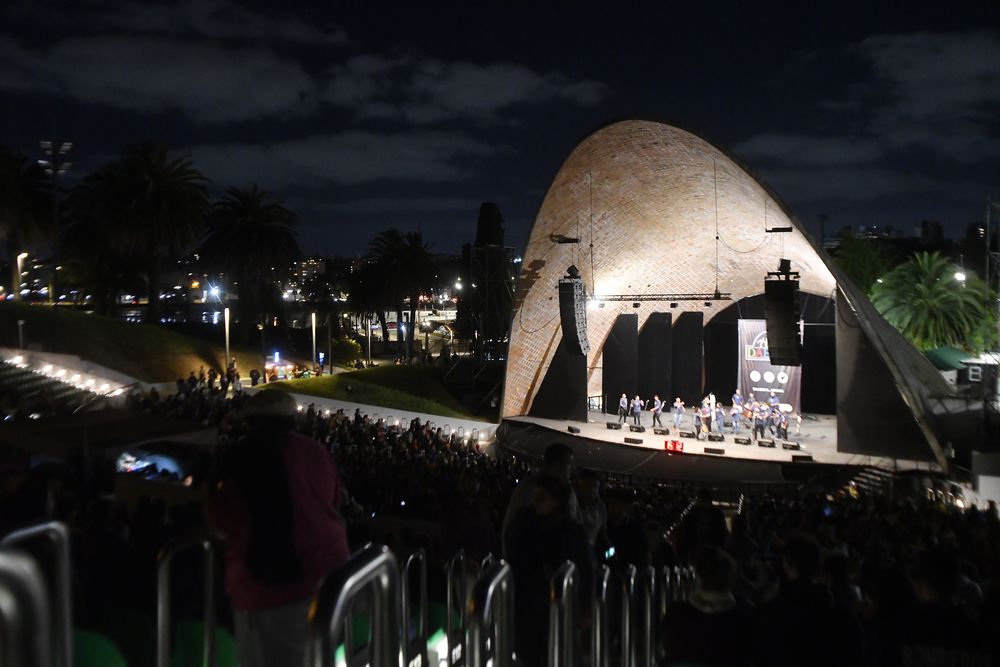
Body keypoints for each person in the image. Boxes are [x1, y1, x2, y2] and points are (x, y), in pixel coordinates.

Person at [208, 390, 349, 667]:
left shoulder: (244, 455)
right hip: (332, 578)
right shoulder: (317, 451)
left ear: (251, 423)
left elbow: (220, 516)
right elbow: (334, 501)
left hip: (273, 587)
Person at [505, 474, 593, 667]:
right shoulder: (524, 522)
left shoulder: (572, 532)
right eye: (535, 496)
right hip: (528, 608)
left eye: (543, 497)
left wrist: (585, 608)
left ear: (557, 501)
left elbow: (585, 571)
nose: (536, 502)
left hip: (557, 609)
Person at [501, 443, 580, 557]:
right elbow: (510, 529)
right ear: (557, 465)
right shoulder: (528, 488)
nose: (573, 469)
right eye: (569, 463)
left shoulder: (568, 491)